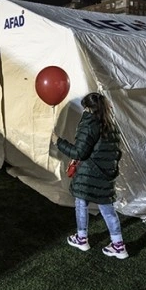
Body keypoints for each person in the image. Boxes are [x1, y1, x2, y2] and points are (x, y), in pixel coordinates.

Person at [51, 92, 127, 259]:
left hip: (89, 174)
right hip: (105, 174)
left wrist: (58, 142)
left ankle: (82, 238)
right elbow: (116, 153)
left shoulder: (89, 123)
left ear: (87, 107)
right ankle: (118, 245)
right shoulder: (111, 124)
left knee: (81, 204)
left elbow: (80, 152)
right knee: (108, 210)